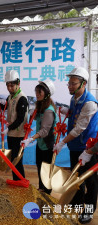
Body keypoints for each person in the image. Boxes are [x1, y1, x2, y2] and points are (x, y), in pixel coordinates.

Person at [54, 67, 98, 224]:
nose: (70, 86)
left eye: (73, 83)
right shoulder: (74, 99)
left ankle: (89, 210)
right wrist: (68, 112)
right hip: (74, 145)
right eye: (69, 83)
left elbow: (80, 128)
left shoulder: (90, 103)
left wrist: (61, 142)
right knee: (76, 176)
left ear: (83, 84)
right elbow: (75, 115)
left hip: (88, 148)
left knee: (91, 180)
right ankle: (77, 203)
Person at [21, 80, 58, 194]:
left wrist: (31, 139)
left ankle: (46, 194)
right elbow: (36, 119)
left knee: (46, 171)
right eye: (36, 91)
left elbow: (45, 131)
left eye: (39, 92)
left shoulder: (49, 111)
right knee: (40, 168)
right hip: (41, 145)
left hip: (47, 145)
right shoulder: (41, 106)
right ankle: (41, 189)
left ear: (46, 93)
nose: (37, 94)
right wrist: (32, 112)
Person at [1, 70, 28, 181]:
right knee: (13, 160)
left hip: (19, 135)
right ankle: (16, 181)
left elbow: (21, 119)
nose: (9, 88)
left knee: (17, 161)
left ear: (18, 83)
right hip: (11, 134)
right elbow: (10, 113)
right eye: (8, 85)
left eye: (12, 85)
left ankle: (21, 182)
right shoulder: (10, 97)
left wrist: (8, 128)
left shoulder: (22, 98)